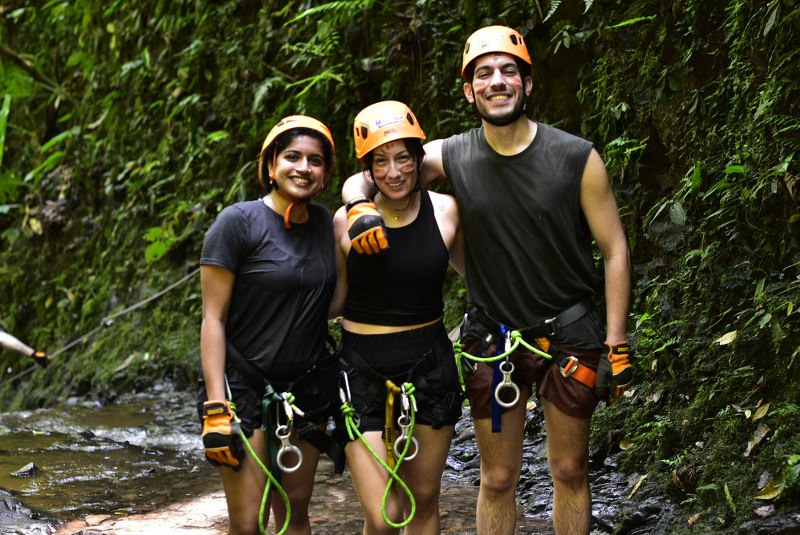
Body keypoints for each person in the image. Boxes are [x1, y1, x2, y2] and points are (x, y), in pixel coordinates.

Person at [342, 26, 632, 535]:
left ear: (527, 82)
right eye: (484, 74)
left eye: (508, 71)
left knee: (568, 470)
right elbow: (380, 164)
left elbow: (615, 250)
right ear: (468, 90)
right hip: (492, 341)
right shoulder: (451, 154)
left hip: (569, 334)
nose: (497, 81)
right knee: (497, 477)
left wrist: (616, 340)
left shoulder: (575, 157)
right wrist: (359, 205)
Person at [198, 115, 340, 535]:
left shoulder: (325, 226)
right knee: (248, 522)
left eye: (316, 161)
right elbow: (212, 318)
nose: (303, 168)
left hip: (307, 388)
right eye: (292, 157)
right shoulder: (237, 223)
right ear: (271, 164)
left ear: (326, 172)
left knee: (295, 513)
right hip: (244, 389)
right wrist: (215, 405)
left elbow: (333, 303)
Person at [331, 100, 464, 535]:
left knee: (423, 500)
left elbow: (481, 277)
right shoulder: (344, 222)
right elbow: (333, 298)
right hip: (362, 367)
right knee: (385, 514)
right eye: (380, 162)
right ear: (367, 170)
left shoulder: (446, 211)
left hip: (429, 362)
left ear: (418, 159)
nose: (393, 172)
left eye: (403, 157)